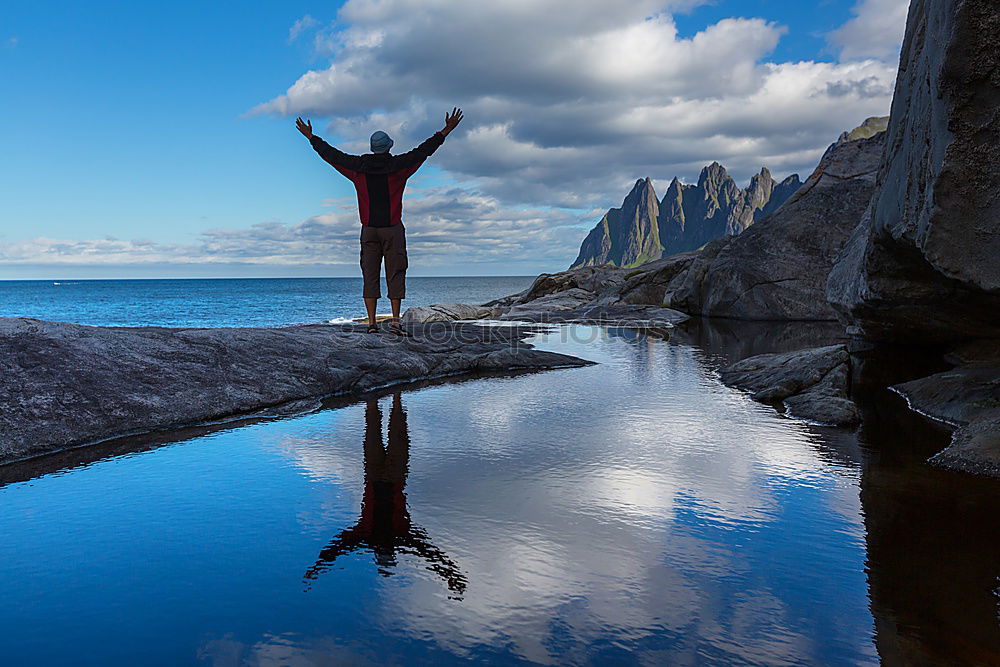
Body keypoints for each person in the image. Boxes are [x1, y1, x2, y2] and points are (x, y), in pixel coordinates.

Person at [296, 109, 464, 335]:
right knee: (396, 273)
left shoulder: (357, 169)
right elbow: (423, 152)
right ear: (389, 147)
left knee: (370, 274)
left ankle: (372, 324)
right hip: (393, 229)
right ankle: (395, 322)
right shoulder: (399, 167)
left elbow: (332, 156)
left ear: (372, 148)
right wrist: (446, 131)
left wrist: (311, 137)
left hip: (369, 230)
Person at [303, 392, 467, 598]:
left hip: (375, 476)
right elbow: (428, 553)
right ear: (391, 552)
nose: (385, 546)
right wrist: (449, 573)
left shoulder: (368, 536)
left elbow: (337, 549)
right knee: (394, 432)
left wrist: (317, 568)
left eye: (383, 552)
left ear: (377, 552)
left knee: (374, 429)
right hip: (393, 476)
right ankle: (394, 395)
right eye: (387, 551)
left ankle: (378, 396)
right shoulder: (400, 536)